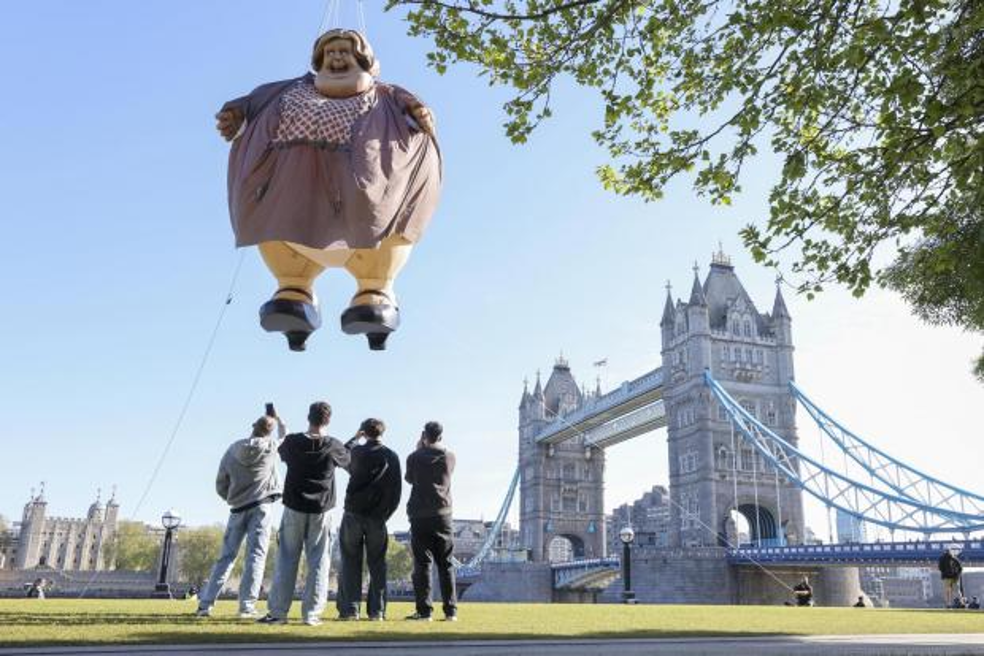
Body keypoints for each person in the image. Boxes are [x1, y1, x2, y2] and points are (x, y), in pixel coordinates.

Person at [216, 28, 442, 352]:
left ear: (362, 59)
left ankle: (374, 290)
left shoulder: (385, 95)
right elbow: (252, 105)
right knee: (278, 220)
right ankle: (293, 289)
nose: (337, 57)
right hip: (295, 205)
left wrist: (419, 112)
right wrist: (236, 114)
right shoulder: (288, 91)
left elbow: (414, 109)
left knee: (384, 220)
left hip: (364, 213)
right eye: (331, 52)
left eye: (345, 52)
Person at [258, 401, 351, 626]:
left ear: (308, 417)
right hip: (322, 509)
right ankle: (311, 614)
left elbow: (284, 441)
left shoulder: (293, 442)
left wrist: (279, 420)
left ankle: (278, 613)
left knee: (287, 559)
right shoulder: (334, 445)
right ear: (328, 420)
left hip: (294, 507)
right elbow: (349, 462)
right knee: (319, 561)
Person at [196, 413, 285, 618]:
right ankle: (246, 606)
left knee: (226, 557)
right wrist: (279, 418)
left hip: (237, 508)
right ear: (269, 432)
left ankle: (205, 604)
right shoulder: (271, 447)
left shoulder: (233, 449)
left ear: (253, 426)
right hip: (261, 507)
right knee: (256, 557)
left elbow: (221, 481)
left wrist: (232, 497)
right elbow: (284, 435)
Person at [336, 418, 402, 621]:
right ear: (383, 432)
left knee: (350, 561)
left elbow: (342, 453)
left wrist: (356, 438)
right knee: (377, 564)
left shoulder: (356, 453)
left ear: (364, 432)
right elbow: (396, 491)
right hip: (377, 516)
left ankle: (350, 609)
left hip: (353, 513)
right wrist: (385, 514)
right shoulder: (391, 456)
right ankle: (377, 611)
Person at [404, 421, 457, 621]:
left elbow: (409, 479)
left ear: (424, 436)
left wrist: (419, 449)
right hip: (443, 514)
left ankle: (424, 612)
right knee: (446, 564)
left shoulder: (414, 457)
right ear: (441, 436)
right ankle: (450, 612)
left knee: (422, 563)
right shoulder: (450, 457)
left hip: (419, 515)